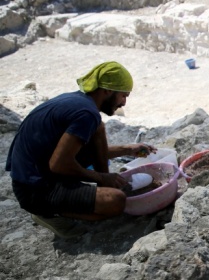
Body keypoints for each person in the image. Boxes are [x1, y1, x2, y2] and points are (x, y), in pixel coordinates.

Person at [5, 61, 156, 239]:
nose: (123, 102)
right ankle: (49, 214)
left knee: (98, 128)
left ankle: (101, 188)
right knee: (116, 202)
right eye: (123, 95)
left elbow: (75, 152)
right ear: (107, 91)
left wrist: (127, 149)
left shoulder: (80, 103)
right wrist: (101, 177)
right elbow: (59, 164)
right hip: (35, 189)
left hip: (38, 172)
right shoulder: (86, 114)